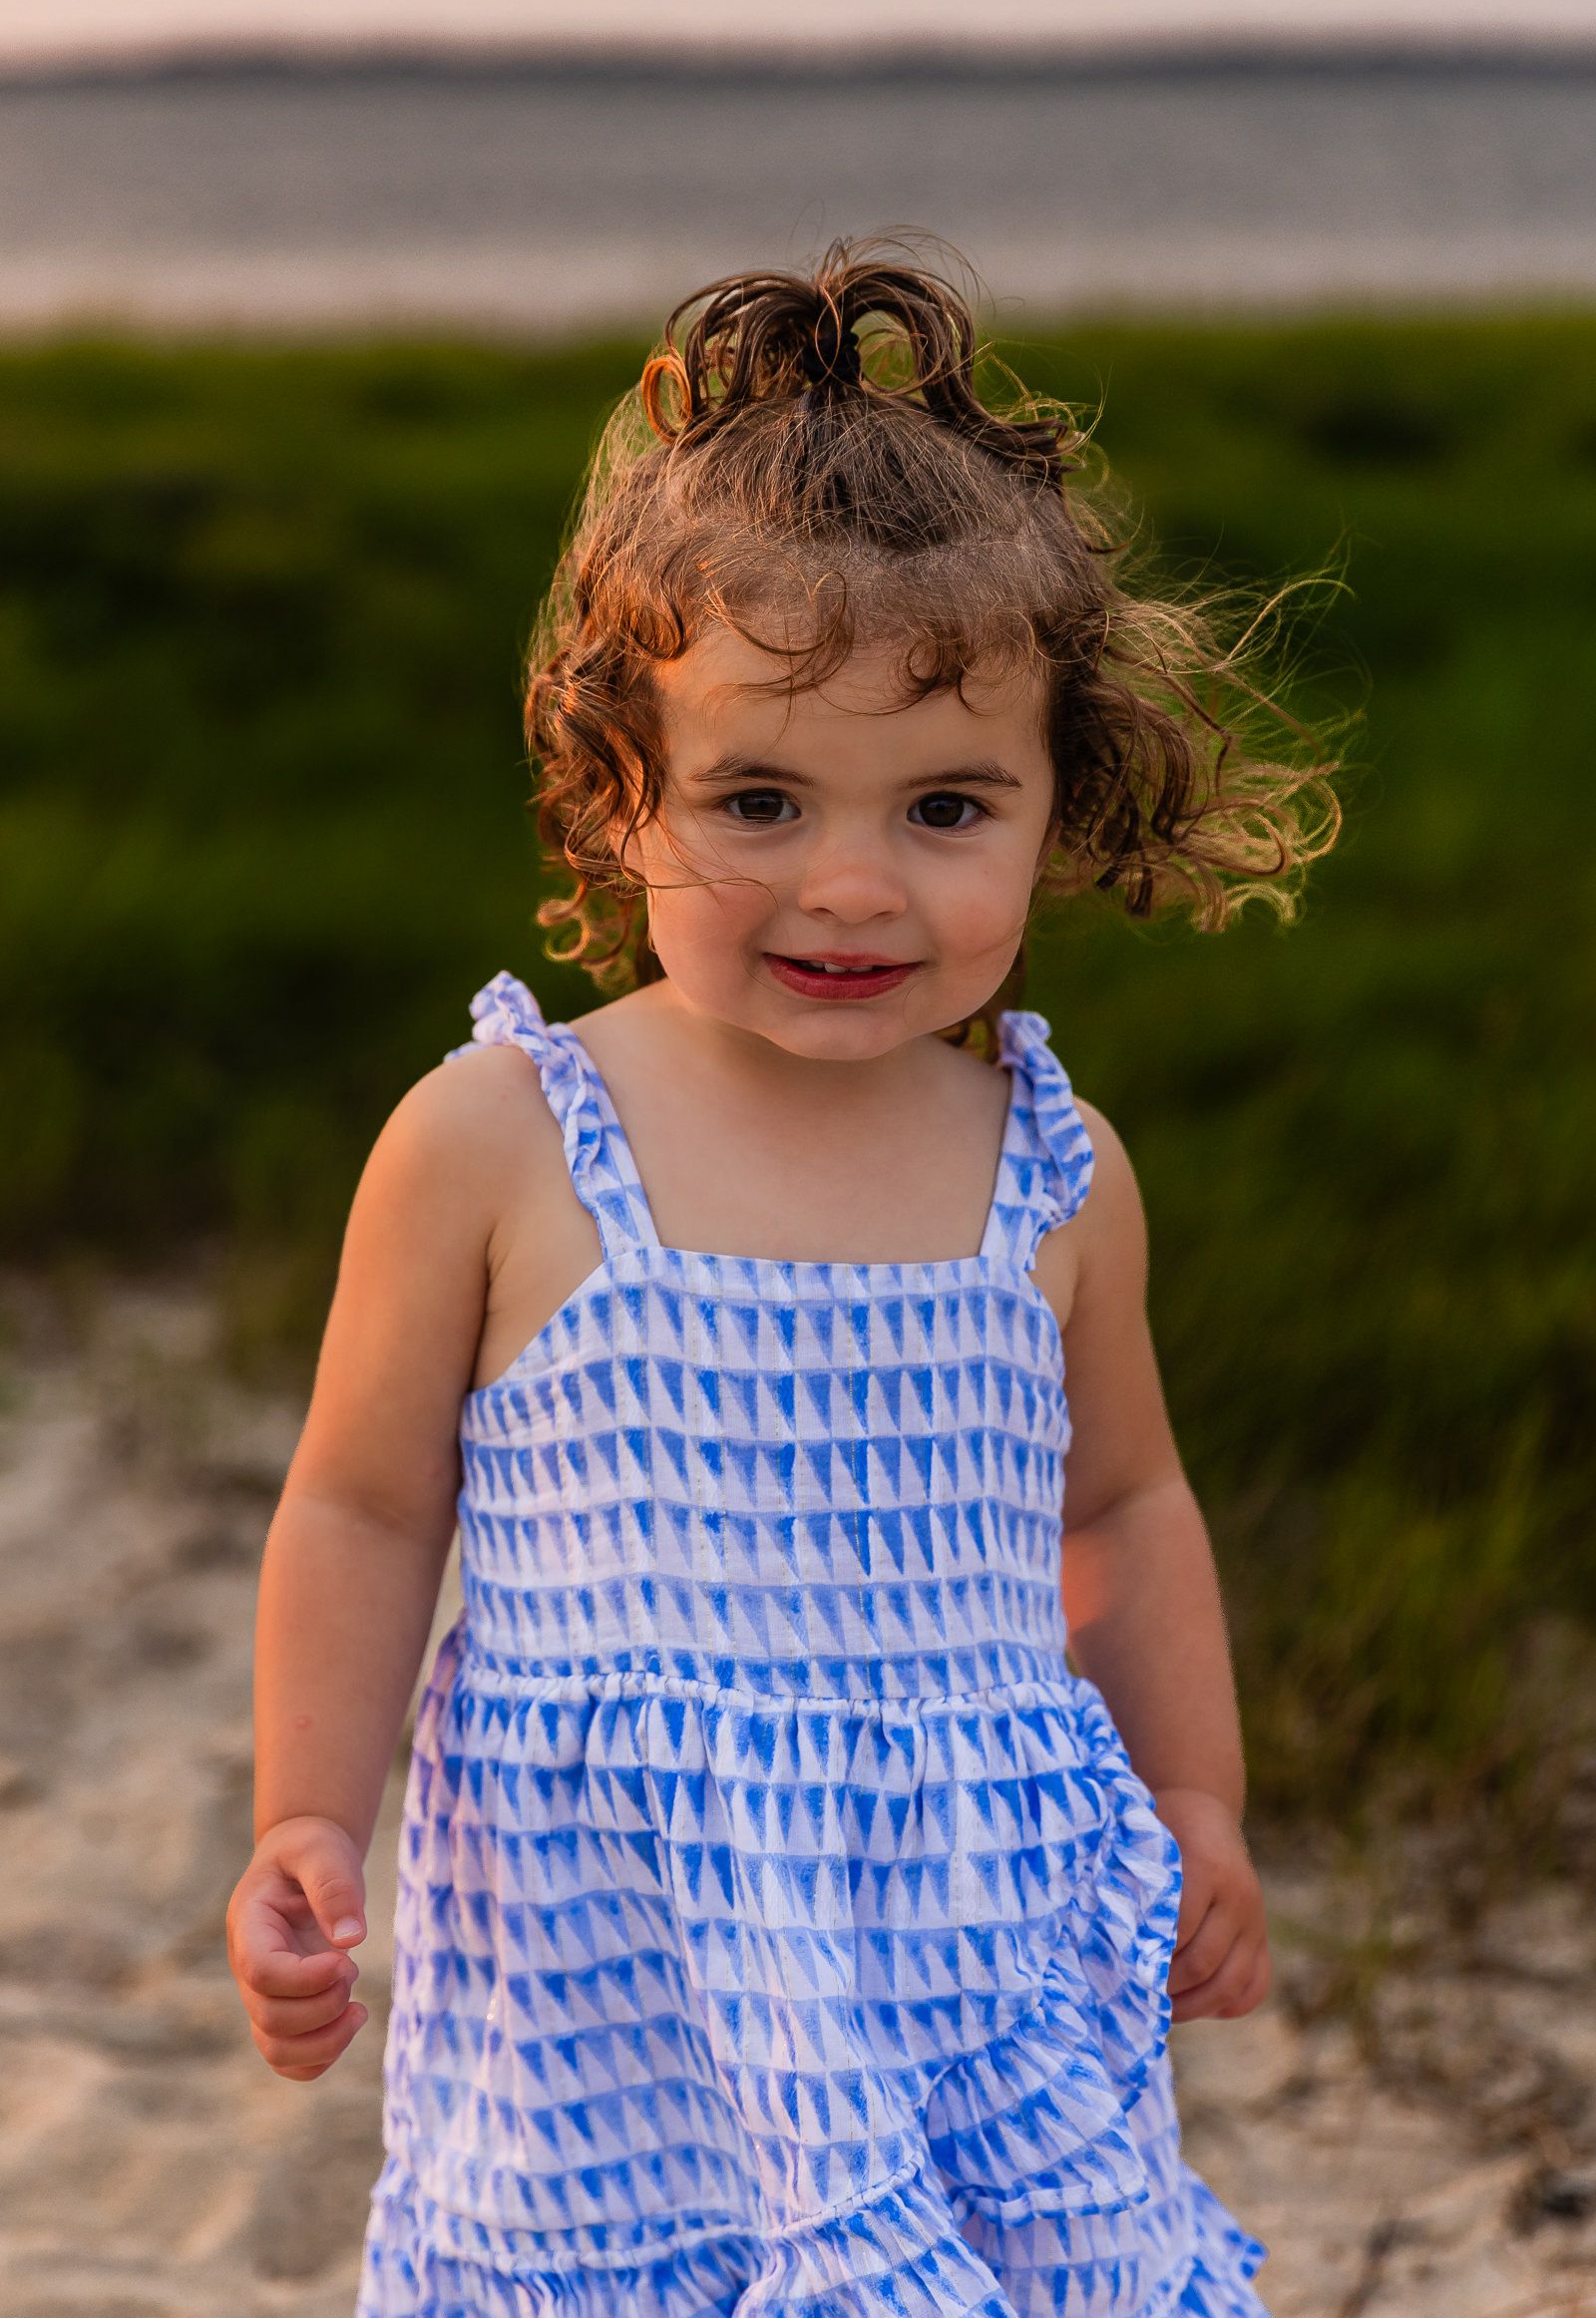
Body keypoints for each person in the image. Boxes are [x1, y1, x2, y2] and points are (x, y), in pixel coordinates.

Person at [226, 235, 1341, 2317]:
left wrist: (1193, 1795)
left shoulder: (1050, 1172)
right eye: (754, 798)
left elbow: (1118, 1509)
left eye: (942, 806)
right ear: (608, 789)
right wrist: (308, 1810)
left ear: (1055, 807)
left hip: (967, 1951)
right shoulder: (498, 1140)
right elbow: (367, 1503)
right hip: (611, 1968)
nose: (851, 886)